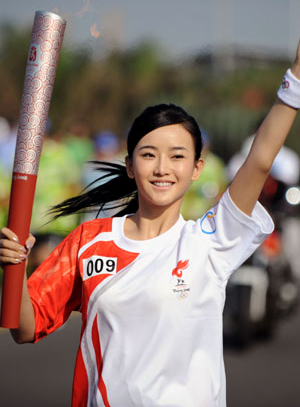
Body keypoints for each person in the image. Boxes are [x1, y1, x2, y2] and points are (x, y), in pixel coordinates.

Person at [1, 45, 300, 407]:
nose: (162, 168)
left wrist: (295, 81)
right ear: (129, 165)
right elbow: (25, 327)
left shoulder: (210, 241)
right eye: (148, 154)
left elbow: (260, 161)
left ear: (196, 169)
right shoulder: (89, 241)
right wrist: (13, 267)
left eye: (177, 156)